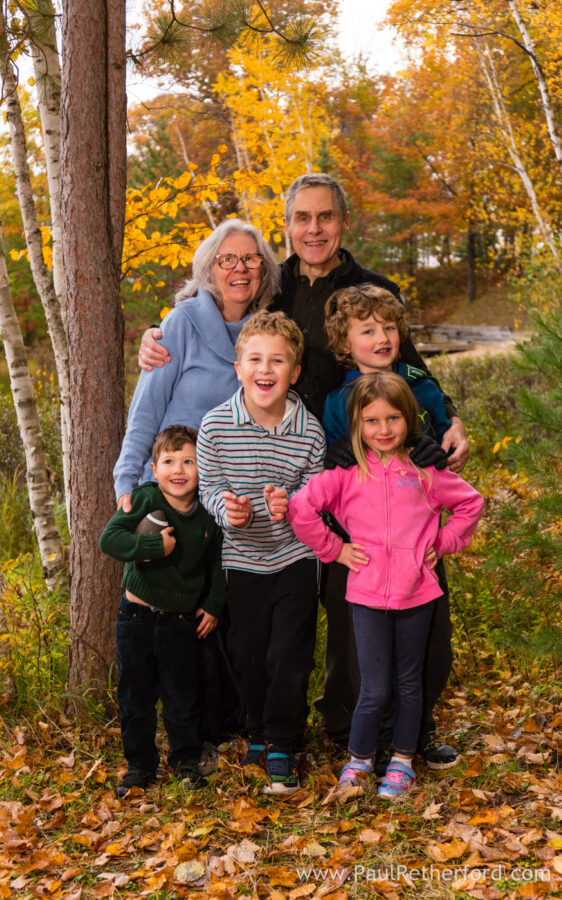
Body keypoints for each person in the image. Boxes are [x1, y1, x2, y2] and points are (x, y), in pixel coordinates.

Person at [136, 173, 469, 759]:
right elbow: (218, 318)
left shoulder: (373, 291)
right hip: (288, 471)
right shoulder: (272, 290)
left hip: (371, 470)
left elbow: (412, 371)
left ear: (342, 222)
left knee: (390, 600)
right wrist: (156, 335)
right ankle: (295, 726)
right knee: (301, 611)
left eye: (325, 217)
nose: (313, 229)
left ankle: (397, 729)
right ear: (287, 226)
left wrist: (450, 422)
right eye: (301, 219)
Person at [113, 219, 279, 748]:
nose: (239, 268)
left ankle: (235, 721)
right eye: (227, 259)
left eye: (249, 259)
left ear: (263, 269)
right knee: (182, 613)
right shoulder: (181, 323)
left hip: (240, 494)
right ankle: (189, 732)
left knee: (228, 606)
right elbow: (147, 409)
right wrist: (128, 478)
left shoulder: (267, 329)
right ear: (208, 268)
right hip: (179, 493)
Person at [286, 373, 483, 798]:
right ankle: (358, 761)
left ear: (408, 420)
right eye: (371, 421)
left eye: (393, 418)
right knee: (374, 687)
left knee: (409, 683)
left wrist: (444, 541)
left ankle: (402, 761)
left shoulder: (425, 471)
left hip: (418, 593)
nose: (383, 429)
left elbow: (470, 502)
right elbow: (301, 508)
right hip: (367, 595)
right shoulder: (346, 474)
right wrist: (334, 549)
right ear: (357, 424)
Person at [196, 311, 326, 796]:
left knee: (289, 655)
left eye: (277, 360)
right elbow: (210, 489)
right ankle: (255, 729)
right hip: (241, 562)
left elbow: (315, 493)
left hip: (294, 559)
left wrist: (291, 506)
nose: (264, 369)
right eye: (255, 359)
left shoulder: (309, 432)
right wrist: (227, 511)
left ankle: (283, 744)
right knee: (247, 655)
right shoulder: (214, 427)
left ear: (294, 372)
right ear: (238, 367)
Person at [99, 426, 226, 796]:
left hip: (181, 621)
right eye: (169, 461)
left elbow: (217, 566)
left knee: (181, 697)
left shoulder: (206, 515)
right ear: (154, 469)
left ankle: (186, 762)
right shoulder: (145, 499)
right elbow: (111, 539)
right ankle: (139, 766)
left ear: (203, 467)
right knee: (135, 696)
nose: (179, 469)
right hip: (136, 618)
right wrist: (154, 546)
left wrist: (213, 604)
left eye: (189, 460)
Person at [322, 284, 450, 444]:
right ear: (344, 344)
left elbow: (448, 448)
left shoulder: (424, 388)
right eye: (368, 331)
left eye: (389, 328)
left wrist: (437, 455)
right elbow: (332, 459)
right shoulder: (338, 402)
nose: (383, 338)